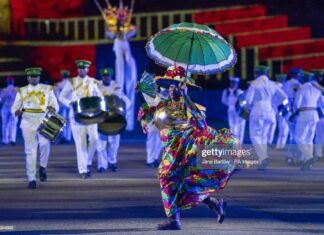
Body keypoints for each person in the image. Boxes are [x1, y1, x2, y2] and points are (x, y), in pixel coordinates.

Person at [137, 65, 240, 230]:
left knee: (167, 177)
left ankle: (173, 220)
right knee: (183, 183)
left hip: (186, 150)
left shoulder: (192, 107)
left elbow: (202, 125)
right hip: (170, 149)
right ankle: (213, 203)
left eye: (176, 86)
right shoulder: (164, 104)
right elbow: (147, 108)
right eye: (170, 86)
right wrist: (143, 120)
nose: (172, 89)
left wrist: (186, 98)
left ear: (184, 88)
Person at [11, 67, 59, 189]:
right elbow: (14, 108)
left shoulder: (47, 89)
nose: (34, 78)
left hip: (43, 119)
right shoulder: (22, 91)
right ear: (28, 78)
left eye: (36, 76)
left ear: (39, 77)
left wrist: (53, 108)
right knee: (30, 150)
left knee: (44, 144)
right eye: (31, 76)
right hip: (27, 120)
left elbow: (55, 105)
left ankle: (42, 167)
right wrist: (17, 112)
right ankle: (31, 178)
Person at [59, 60, 101, 179]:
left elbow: (99, 96)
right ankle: (83, 170)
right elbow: (61, 96)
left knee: (95, 139)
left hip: (91, 115)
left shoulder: (93, 81)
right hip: (76, 116)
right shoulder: (71, 82)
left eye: (84, 68)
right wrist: (69, 102)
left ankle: (86, 161)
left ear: (88, 69)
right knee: (80, 143)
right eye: (80, 68)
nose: (82, 70)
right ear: (77, 69)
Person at [245, 66, 287, 170]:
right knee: (263, 137)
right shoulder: (273, 84)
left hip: (258, 110)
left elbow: (248, 101)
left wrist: (249, 107)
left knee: (255, 135)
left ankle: (263, 157)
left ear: (257, 73)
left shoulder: (254, 84)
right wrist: (277, 105)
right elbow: (284, 97)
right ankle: (262, 160)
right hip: (270, 111)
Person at [89, 68, 130, 172]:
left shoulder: (116, 87)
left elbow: (126, 101)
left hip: (114, 118)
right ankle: (102, 165)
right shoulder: (96, 87)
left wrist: (125, 110)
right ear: (102, 77)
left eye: (108, 76)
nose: (106, 78)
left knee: (114, 142)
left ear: (111, 77)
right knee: (101, 143)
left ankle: (112, 161)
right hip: (102, 118)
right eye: (104, 76)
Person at [104, 1, 137, 131]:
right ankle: (119, 117)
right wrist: (111, 25)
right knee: (120, 72)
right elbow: (109, 33)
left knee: (130, 64)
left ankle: (129, 123)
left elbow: (134, 30)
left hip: (126, 47)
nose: (122, 19)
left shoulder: (127, 28)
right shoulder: (114, 29)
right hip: (118, 47)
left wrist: (126, 26)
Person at [294, 71, 324, 170]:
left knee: (298, 138)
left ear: (303, 78)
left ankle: (308, 156)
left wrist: (294, 112)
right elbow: (322, 103)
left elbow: (296, 105)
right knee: (309, 139)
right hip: (314, 115)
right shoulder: (317, 89)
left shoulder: (302, 88)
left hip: (304, 114)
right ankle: (308, 163)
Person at [283, 68, 303, 165]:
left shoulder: (285, 83)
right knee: (297, 135)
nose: (300, 76)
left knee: (293, 135)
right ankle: (293, 156)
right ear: (296, 75)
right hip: (295, 112)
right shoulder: (297, 84)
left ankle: (291, 156)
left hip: (288, 111)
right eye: (299, 74)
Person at [221, 76, 245, 143]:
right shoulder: (227, 91)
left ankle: (240, 143)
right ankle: (234, 143)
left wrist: (240, 106)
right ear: (230, 83)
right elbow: (223, 100)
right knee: (232, 127)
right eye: (232, 82)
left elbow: (243, 101)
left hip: (239, 111)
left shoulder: (239, 91)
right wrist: (230, 105)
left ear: (237, 83)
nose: (234, 84)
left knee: (240, 127)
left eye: (235, 83)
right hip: (231, 111)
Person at [54, 70, 72, 143]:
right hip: (69, 104)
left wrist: (60, 101)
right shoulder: (71, 84)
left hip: (62, 105)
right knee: (69, 122)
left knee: (62, 121)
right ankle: (68, 138)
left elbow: (56, 94)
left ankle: (63, 137)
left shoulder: (59, 84)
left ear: (62, 76)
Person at [0, 76, 18, 145]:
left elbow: (1, 100)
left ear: (7, 82)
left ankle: (5, 140)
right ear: (13, 82)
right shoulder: (16, 90)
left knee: (5, 124)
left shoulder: (4, 90)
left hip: (5, 107)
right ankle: (12, 140)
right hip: (14, 107)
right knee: (13, 124)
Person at [274, 74, 290, 149]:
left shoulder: (275, 86)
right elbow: (285, 98)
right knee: (284, 128)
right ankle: (280, 146)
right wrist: (284, 105)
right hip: (282, 109)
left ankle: (279, 145)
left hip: (277, 109)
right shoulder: (282, 87)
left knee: (282, 128)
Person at [312, 69, 324, 161]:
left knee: (319, 136)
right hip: (319, 113)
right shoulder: (314, 86)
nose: (321, 78)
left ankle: (318, 153)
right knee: (319, 135)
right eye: (319, 76)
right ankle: (318, 154)